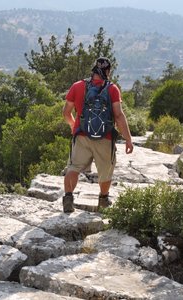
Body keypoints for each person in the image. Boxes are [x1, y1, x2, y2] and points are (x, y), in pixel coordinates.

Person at [62, 57, 133, 213]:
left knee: (73, 167)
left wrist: (74, 126)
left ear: (94, 69)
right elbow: (119, 116)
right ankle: (103, 199)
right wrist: (128, 139)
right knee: (105, 170)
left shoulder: (78, 86)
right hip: (105, 138)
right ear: (108, 71)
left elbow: (66, 113)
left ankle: (68, 198)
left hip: (81, 136)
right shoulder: (112, 89)